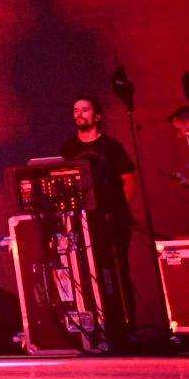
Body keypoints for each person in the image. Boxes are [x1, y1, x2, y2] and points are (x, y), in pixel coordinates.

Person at [60, 95, 139, 338]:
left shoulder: (111, 147)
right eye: (75, 110)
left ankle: (126, 326)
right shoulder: (69, 148)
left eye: (84, 109)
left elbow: (128, 179)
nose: (79, 114)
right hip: (82, 222)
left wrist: (119, 210)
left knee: (116, 270)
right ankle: (94, 325)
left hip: (112, 220)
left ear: (97, 116)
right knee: (85, 271)